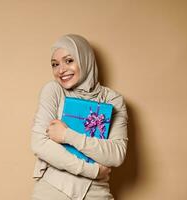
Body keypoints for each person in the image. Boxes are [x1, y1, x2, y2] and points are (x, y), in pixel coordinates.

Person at [31, 34, 128, 200]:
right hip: (53, 190)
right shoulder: (54, 90)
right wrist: (93, 170)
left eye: (69, 61)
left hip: (96, 192)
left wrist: (67, 135)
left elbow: (116, 155)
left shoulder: (112, 99)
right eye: (55, 64)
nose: (60, 70)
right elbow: (40, 143)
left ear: (85, 59)